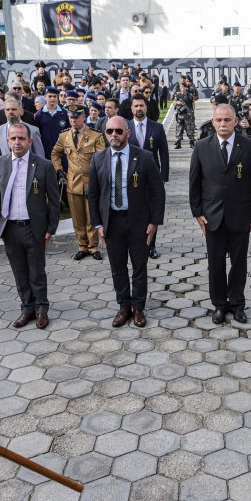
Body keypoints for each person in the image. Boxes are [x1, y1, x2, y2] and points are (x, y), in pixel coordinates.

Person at [188, 104, 251, 325]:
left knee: (239, 264)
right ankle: (220, 305)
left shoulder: (250, 147)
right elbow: (194, 182)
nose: (223, 124)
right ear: (213, 122)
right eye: (219, 120)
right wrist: (197, 212)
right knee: (216, 265)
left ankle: (237, 304)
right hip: (212, 216)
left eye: (227, 120)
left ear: (234, 121)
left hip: (241, 215)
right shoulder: (202, 146)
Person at [88, 116, 165, 329]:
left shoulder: (144, 157)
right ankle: (124, 306)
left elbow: (158, 192)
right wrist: (98, 224)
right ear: (105, 134)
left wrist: (155, 222)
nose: (114, 135)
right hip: (112, 221)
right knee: (118, 267)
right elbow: (92, 195)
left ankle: (138, 307)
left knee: (139, 266)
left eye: (119, 131)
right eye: (110, 131)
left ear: (127, 133)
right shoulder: (98, 159)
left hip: (138, 221)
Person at [0, 123, 60, 330]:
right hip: (11, 229)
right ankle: (26, 308)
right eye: (13, 138)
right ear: (7, 141)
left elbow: (54, 201)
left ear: (30, 141)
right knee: (20, 271)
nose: (17, 142)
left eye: (21, 138)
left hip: (34, 228)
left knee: (37, 271)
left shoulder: (44, 165)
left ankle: (41, 310)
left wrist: (51, 228)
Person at [53, 104, 105, 261]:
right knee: (77, 217)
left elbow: (101, 159)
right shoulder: (64, 136)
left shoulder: (95, 135)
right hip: (73, 183)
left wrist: (97, 181)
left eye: (76, 117)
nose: (73, 120)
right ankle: (82, 246)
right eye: (71, 117)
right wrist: (59, 171)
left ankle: (93, 246)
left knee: (91, 216)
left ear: (84, 117)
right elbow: (55, 153)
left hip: (91, 182)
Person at [127, 94, 169, 259]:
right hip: (131, 177)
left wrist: (163, 177)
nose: (139, 109)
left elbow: (164, 154)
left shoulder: (156, 128)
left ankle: (150, 245)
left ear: (146, 108)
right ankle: (136, 244)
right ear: (131, 108)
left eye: (141, 106)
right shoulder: (126, 127)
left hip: (152, 177)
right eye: (136, 106)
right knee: (134, 211)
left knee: (152, 211)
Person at [34, 86, 69, 159]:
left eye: (54, 96)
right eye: (50, 96)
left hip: (62, 153)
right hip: (46, 153)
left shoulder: (64, 113)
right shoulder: (39, 115)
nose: (52, 99)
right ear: (45, 97)